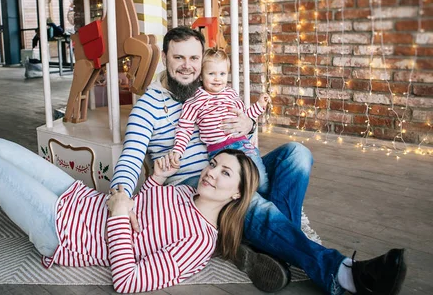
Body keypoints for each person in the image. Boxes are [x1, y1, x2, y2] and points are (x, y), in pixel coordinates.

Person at [110, 26, 407, 295]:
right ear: (164, 57)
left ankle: (274, 248)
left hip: (235, 166)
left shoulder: (212, 90)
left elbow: (242, 130)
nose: (187, 66)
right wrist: (121, 194)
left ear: (203, 61)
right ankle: (343, 274)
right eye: (178, 58)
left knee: (297, 154)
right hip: (196, 186)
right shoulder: (148, 107)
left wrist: (247, 125)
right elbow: (131, 155)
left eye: (194, 58)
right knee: (254, 204)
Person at [0, 138, 259, 294]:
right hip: (81, 200)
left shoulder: (198, 244)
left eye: (225, 173)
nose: (212, 172)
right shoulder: (184, 192)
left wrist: (118, 211)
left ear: (238, 193)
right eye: (213, 163)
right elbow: (141, 209)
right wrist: (154, 181)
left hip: (67, 232)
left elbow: (128, 282)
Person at [164, 47, 271, 194]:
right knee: (238, 185)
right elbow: (184, 128)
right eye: (211, 73)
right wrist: (178, 150)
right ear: (201, 76)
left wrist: (259, 106)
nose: (217, 78)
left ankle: (267, 202)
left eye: (222, 73)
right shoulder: (195, 100)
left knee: (260, 181)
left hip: (243, 145)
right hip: (218, 152)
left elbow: (245, 116)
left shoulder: (231, 94)